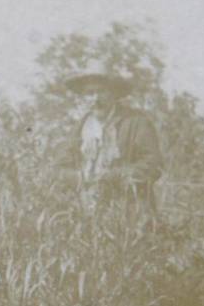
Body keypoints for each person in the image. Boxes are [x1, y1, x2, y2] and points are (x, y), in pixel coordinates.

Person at [65, 73, 164, 229]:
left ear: (114, 94)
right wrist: (79, 177)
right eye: (89, 93)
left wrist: (112, 177)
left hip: (131, 212)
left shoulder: (136, 122)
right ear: (83, 98)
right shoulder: (79, 128)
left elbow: (153, 164)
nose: (95, 99)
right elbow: (60, 167)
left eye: (101, 92)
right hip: (88, 211)